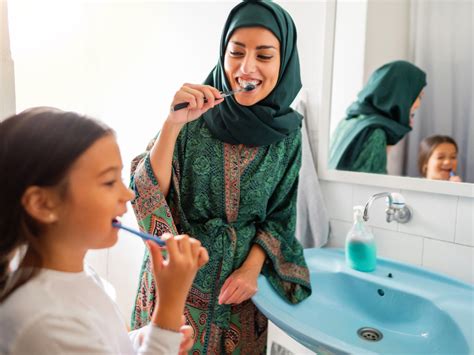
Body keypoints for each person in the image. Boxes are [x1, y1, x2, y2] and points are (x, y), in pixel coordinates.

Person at [130, 1, 311, 353]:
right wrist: (172, 125)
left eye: (264, 55)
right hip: (177, 284)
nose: (246, 68)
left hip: (238, 296)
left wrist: (251, 270)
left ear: (284, 59)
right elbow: (145, 194)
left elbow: (280, 217)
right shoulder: (194, 110)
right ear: (222, 53)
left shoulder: (288, 135)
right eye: (236, 52)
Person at [0, 107, 209, 355]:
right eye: (109, 182)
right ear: (43, 204)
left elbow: (105, 345)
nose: (128, 194)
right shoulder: (43, 322)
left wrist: (145, 339)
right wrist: (170, 309)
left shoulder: (80, 275)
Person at [329, 60, 427, 174]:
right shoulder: (375, 133)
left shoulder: (349, 121)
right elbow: (372, 189)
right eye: (418, 97)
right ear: (400, 93)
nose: (418, 105)